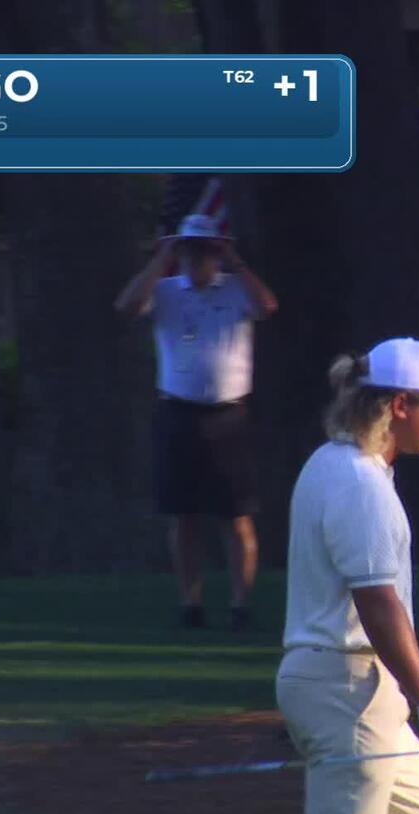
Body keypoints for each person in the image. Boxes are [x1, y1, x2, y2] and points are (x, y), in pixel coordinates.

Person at [277, 337, 419, 814]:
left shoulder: (335, 463)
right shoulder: (360, 484)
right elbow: (378, 606)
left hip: (359, 693)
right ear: (398, 405)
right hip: (344, 689)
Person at [114, 213, 279, 631]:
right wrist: (161, 258)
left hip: (229, 415)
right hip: (179, 412)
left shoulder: (236, 290)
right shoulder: (166, 291)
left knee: (235, 515)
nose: (196, 258)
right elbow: (127, 305)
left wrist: (234, 260)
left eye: (205, 250)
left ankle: (240, 603)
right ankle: (191, 601)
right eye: (189, 250)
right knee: (182, 514)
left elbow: (268, 305)